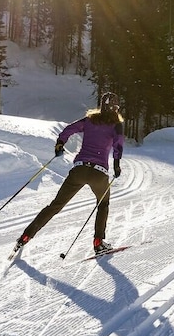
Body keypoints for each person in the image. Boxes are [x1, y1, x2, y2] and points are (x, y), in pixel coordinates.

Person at [14, 92, 125, 255]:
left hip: (79, 169)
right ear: (116, 107)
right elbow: (118, 145)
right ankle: (98, 242)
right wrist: (116, 165)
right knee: (103, 204)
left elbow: (69, 129)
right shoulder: (116, 124)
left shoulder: (89, 120)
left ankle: (25, 236)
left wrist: (60, 144)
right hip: (99, 173)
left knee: (55, 205)